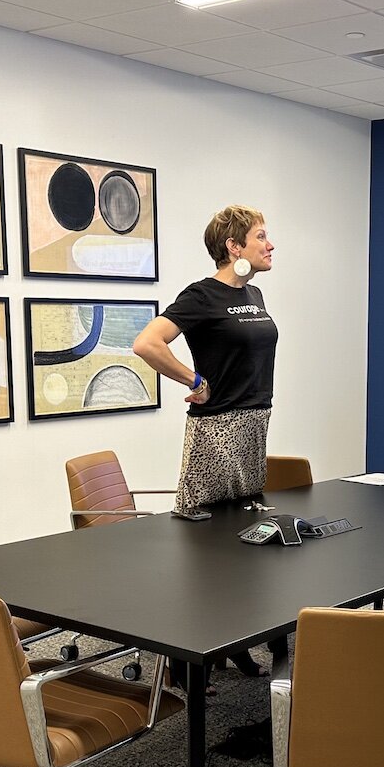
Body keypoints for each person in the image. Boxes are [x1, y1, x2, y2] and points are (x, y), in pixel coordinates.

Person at [133, 205, 279, 679]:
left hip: (254, 422)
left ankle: (232, 640)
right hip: (216, 429)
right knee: (205, 546)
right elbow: (147, 343)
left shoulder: (254, 293)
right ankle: (183, 659)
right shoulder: (201, 296)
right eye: (260, 236)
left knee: (242, 541)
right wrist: (191, 377)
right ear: (234, 248)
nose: (270, 244)